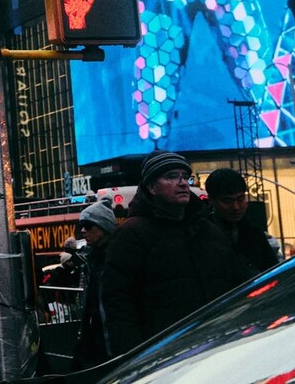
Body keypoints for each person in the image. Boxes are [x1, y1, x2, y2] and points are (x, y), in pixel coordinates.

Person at [95, 153, 254, 357]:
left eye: (185, 177)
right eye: (171, 176)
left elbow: (236, 286)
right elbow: (118, 305)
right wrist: (132, 357)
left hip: (218, 348)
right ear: (151, 187)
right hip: (162, 356)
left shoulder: (210, 232)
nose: (182, 183)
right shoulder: (131, 235)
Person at [201, 170, 281, 279]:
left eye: (240, 199)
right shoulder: (200, 235)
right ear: (211, 200)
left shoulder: (255, 234)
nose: (236, 207)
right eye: (227, 201)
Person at [68, 202, 119, 370]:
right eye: (82, 226)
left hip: (114, 343)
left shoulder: (117, 258)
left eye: (88, 226)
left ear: (104, 227)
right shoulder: (91, 261)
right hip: (98, 343)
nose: (82, 231)